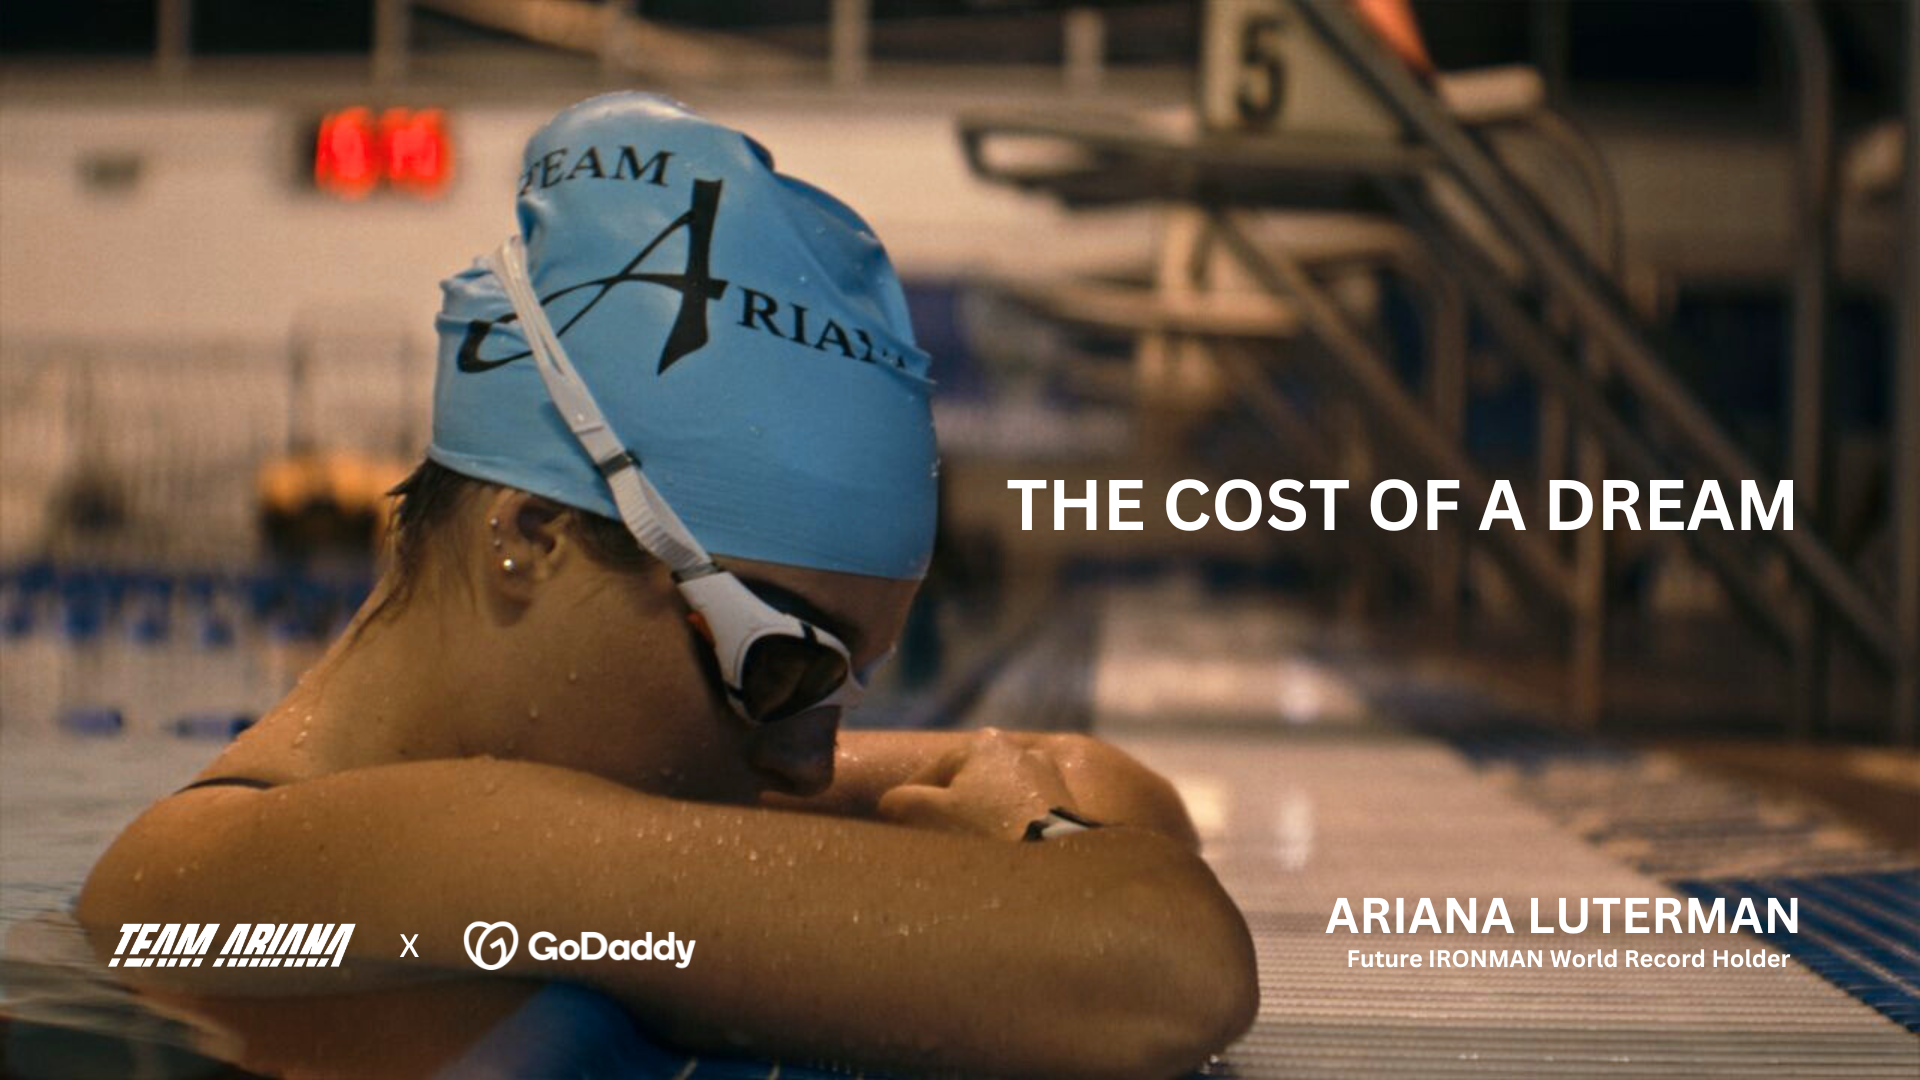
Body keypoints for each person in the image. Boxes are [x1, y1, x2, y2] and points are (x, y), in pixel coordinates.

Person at [76, 93, 1257, 1079]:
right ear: (531, 538)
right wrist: (1037, 833)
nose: (806, 758)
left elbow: (1103, 781)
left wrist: (1030, 811)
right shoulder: (287, 863)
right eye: (777, 664)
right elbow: (1167, 962)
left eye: (842, 685)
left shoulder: (550, 811)